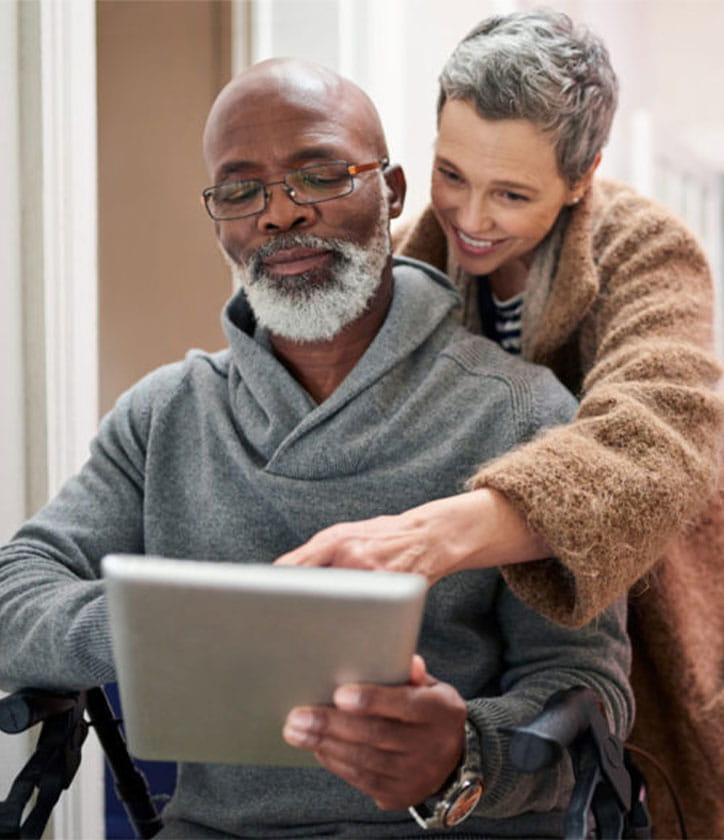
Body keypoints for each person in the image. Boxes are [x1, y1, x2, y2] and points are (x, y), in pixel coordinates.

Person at [0, 58, 633, 838]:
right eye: (240, 191)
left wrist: (465, 757)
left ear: (393, 193)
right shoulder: (167, 413)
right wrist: (165, 626)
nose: (279, 215)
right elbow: (14, 596)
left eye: (321, 175)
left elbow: (587, 686)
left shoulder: (522, 412)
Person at [276, 10, 724, 840]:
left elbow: (663, 435)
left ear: (583, 175)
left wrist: (438, 536)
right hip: (467, 662)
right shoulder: (410, 266)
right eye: (452, 173)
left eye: (513, 193)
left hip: (639, 639)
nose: (472, 217)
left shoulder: (648, 250)